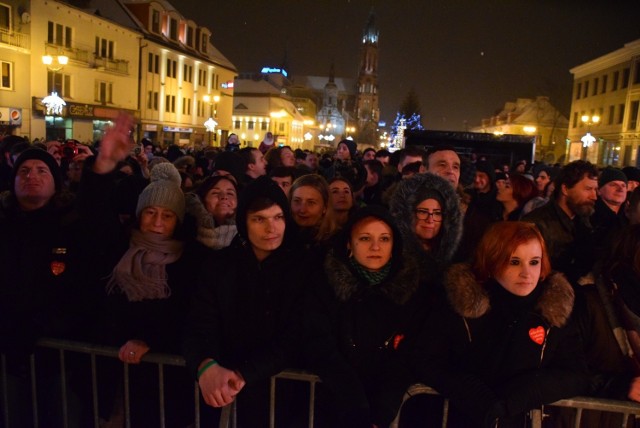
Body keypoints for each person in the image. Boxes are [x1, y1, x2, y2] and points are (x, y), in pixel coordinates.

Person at [413, 221, 590, 427]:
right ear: (492, 261)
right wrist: (471, 392)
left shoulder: (552, 309)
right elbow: (424, 360)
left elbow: (576, 374)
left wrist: (522, 394)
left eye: (534, 262)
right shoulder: (460, 303)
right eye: (514, 262)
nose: (526, 273)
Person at [182, 176, 306, 427]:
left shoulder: (302, 268)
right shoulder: (220, 266)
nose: (271, 228)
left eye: (278, 217)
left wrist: (245, 373)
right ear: (244, 222)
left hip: (281, 393)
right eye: (259, 219)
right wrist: (206, 363)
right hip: (224, 392)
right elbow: (201, 320)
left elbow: (298, 333)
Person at [301, 205, 431, 427]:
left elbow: (409, 356)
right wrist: (357, 408)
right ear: (349, 244)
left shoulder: (413, 292)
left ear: (394, 245)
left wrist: (381, 412)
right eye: (364, 238)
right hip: (333, 407)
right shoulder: (325, 286)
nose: (375, 247)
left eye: (384, 239)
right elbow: (320, 347)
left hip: (387, 414)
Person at [522, 160, 599, 284]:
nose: (594, 196)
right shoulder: (536, 224)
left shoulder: (584, 222)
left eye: (595, 190)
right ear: (565, 189)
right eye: (588, 189)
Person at [389, 173, 463, 283]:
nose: (430, 220)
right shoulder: (392, 255)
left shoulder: (456, 259)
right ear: (407, 215)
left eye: (437, 213)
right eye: (422, 212)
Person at [185, 175, 238, 250]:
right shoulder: (186, 235)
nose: (224, 197)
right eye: (215, 193)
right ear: (202, 200)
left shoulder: (249, 239)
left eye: (230, 193)